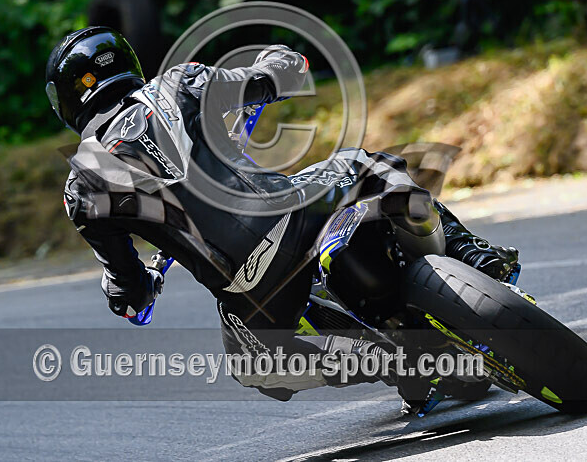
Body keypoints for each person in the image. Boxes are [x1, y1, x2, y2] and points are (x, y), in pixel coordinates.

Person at [46, 26, 519, 409]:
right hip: (298, 215)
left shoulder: (81, 188)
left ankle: (389, 364)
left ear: (66, 101)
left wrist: (143, 287)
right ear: (129, 64)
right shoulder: (180, 84)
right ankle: (468, 252)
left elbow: (127, 292)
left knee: (253, 368)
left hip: (249, 291)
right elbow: (279, 75)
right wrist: (276, 62)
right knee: (366, 162)